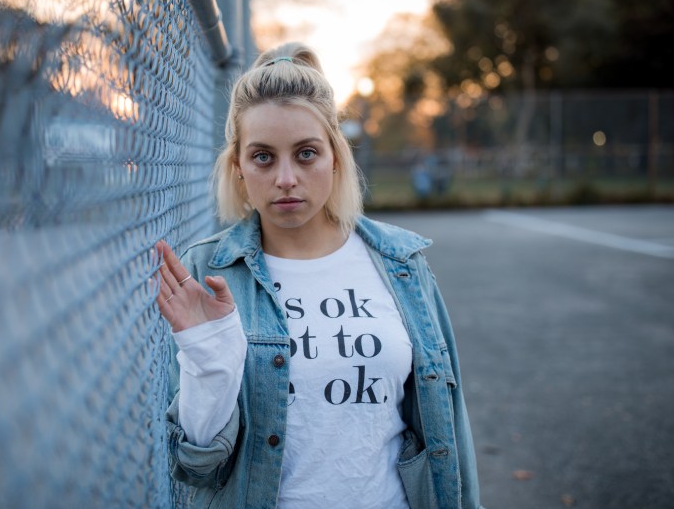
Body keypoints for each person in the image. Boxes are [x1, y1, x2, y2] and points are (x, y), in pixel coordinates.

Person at [156, 43, 483, 509]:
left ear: (335, 156)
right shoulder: (209, 273)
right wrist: (210, 358)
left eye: (306, 153)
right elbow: (196, 465)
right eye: (263, 157)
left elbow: (448, 423)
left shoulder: (401, 263)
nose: (286, 178)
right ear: (239, 169)